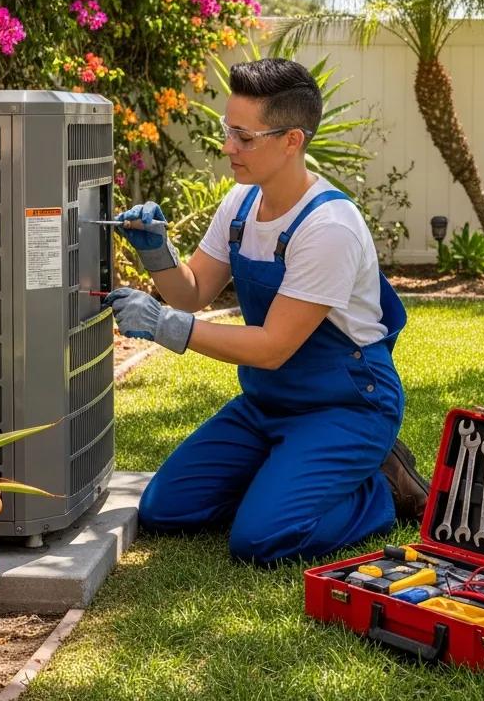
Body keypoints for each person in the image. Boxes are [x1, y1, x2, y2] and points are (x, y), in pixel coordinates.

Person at [104, 57, 429, 565]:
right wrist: (157, 254)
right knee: (165, 509)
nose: (229, 147)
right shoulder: (240, 204)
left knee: (261, 540)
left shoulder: (329, 227)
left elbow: (274, 347)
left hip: (346, 406)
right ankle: (286, 475)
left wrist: (167, 327)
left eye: (244, 136)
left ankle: (381, 488)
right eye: (227, 130)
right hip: (268, 404)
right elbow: (192, 293)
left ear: (292, 140)